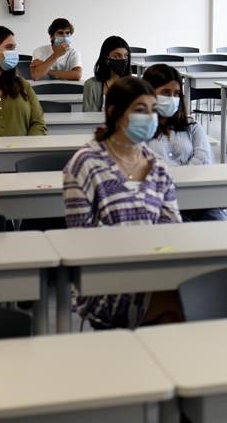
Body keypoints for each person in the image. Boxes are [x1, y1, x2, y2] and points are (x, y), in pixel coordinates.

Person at [63, 76, 184, 329]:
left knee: (195, 294)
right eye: (140, 110)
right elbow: (81, 238)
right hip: (104, 279)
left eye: (152, 110)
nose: (149, 117)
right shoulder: (85, 163)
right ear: (114, 112)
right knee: (182, 305)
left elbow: (172, 228)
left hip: (153, 271)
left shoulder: (157, 167)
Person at [142, 64, 227, 222]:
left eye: (176, 94)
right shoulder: (140, 131)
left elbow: (204, 157)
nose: (172, 99)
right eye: (165, 93)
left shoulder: (191, 125)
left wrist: (183, 177)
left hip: (200, 201)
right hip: (160, 204)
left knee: (226, 229)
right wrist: (184, 176)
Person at [83, 35, 132, 112]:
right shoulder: (91, 84)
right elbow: (88, 116)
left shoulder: (133, 84)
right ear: (106, 58)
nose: (123, 60)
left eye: (126, 56)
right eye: (117, 56)